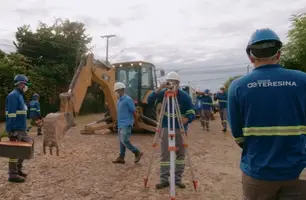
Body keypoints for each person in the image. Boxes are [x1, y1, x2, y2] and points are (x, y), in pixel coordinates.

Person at [228, 28, 306, 200]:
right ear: (278, 54)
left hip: (257, 172)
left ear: (251, 57)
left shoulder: (238, 86)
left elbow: (237, 133)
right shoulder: (302, 80)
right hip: (297, 171)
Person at [147, 71, 196, 189]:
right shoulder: (163, 94)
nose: (172, 85)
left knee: (180, 155)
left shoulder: (185, 96)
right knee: (165, 155)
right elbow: (149, 100)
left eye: (174, 83)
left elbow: (192, 111)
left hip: (180, 128)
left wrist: (187, 118)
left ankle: (177, 179)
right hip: (165, 126)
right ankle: (164, 179)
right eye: (170, 83)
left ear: (178, 84)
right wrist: (159, 89)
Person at [5, 74, 34, 183]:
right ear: (21, 84)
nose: (26, 86)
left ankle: (18, 169)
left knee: (26, 147)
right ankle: (12, 175)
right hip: (15, 129)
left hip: (22, 129)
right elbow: (11, 114)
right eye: (26, 84)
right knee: (14, 152)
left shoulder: (20, 96)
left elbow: (21, 112)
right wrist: (11, 130)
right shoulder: (13, 96)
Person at [112, 82, 143, 164]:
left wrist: (136, 124)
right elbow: (120, 113)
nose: (117, 93)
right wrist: (116, 122)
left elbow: (134, 112)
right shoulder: (119, 101)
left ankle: (137, 152)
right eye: (116, 91)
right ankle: (121, 157)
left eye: (117, 91)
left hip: (127, 123)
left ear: (122, 90)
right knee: (121, 141)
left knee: (124, 140)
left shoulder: (128, 100)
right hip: (120, 124)